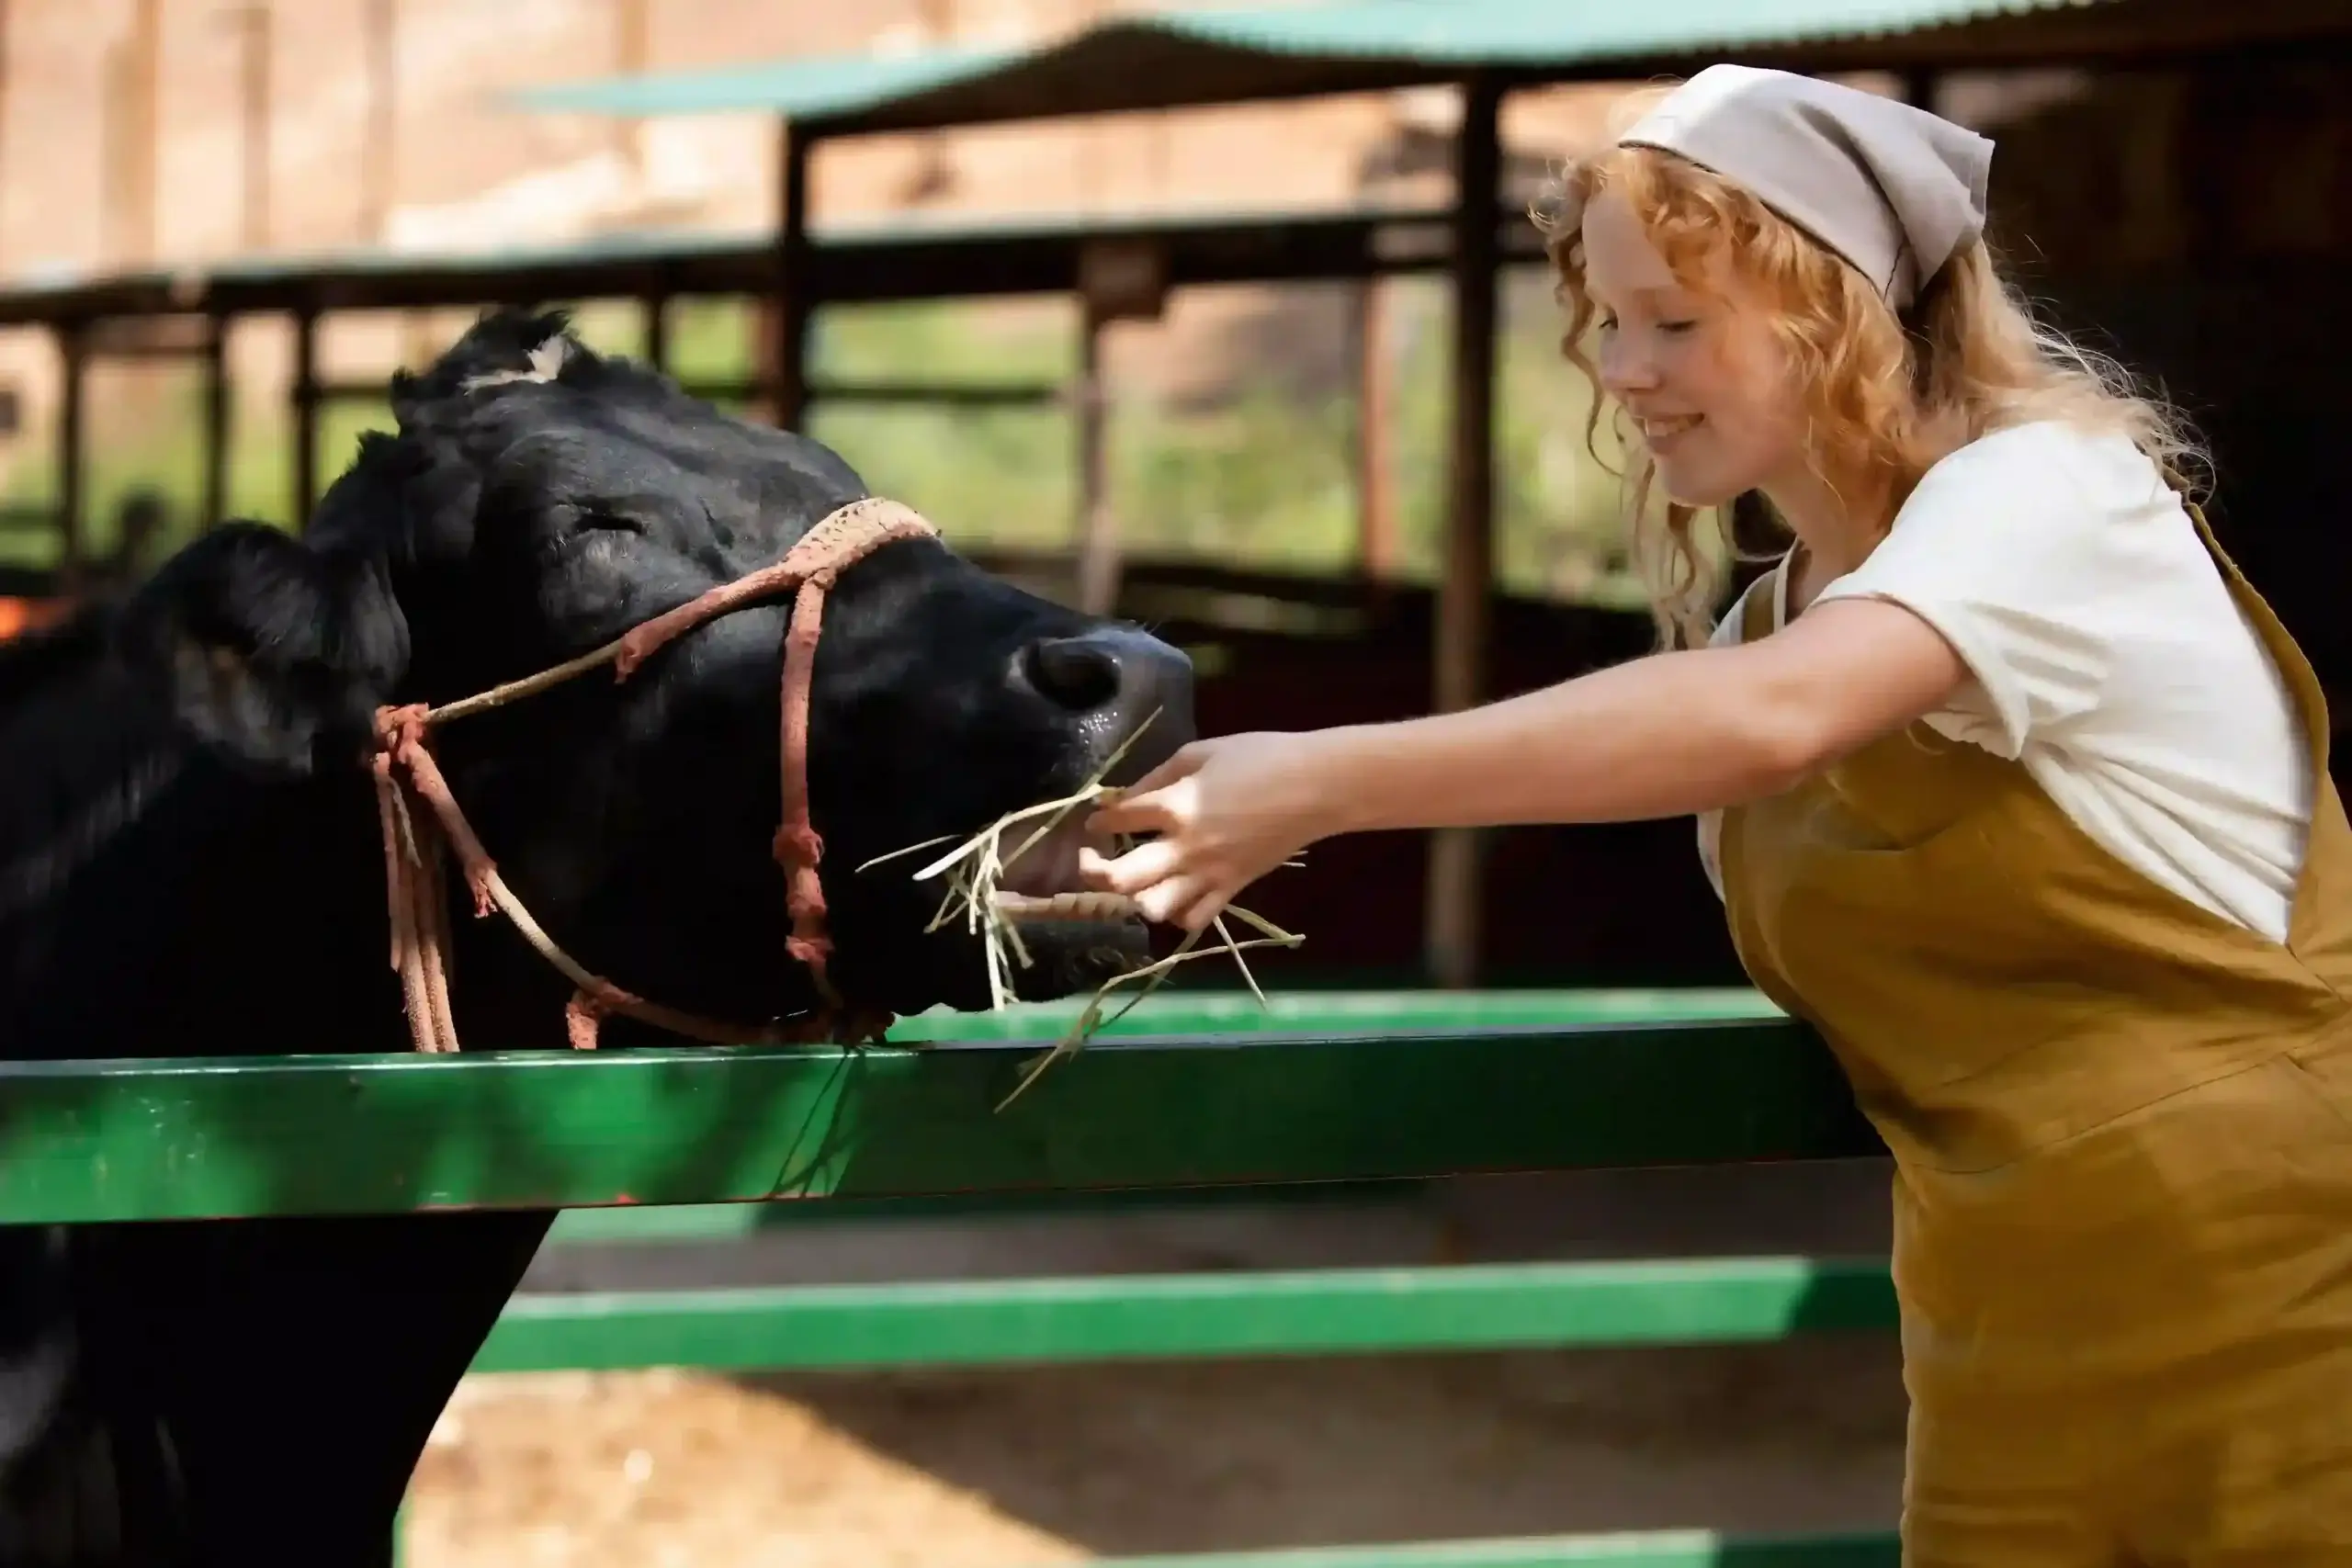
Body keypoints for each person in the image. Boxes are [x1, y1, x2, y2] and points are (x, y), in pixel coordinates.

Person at [1080, 63, 2352, 1565]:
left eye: (1677, 321)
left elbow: (1777, 719)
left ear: (1845, 316)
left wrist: (1323, 781)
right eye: (1606, 320)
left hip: (2285, 1282)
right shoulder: (1760, 625)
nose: (1622, 366)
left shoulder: (2053, 500)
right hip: (1998, 1329)